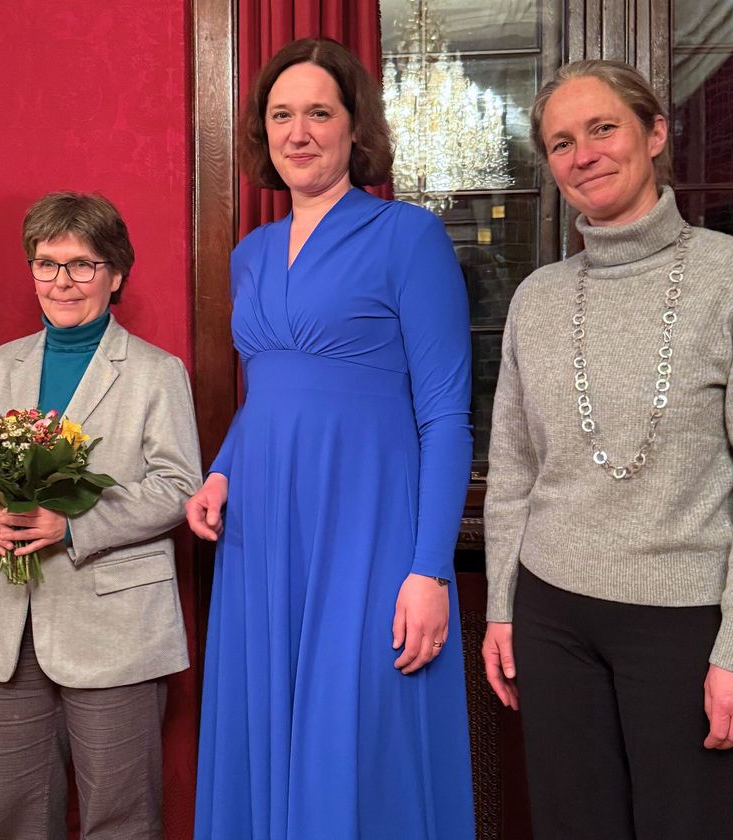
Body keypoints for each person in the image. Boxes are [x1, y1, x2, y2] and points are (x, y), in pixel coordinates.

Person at [480, 60, 733, 839]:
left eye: (603, 129)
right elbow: (515, 471)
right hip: (553, 615)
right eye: (561, 142)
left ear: (654, 133)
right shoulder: (538, 298)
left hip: (685, 620)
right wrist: (502, 606)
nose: (583, 155)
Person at [187, 37, 475, 840]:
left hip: (368, 531)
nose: (299, 132)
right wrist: (221, 472)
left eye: (320, 112)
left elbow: (447, 413)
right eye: (283, 115)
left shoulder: (407, 237)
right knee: (268, 727)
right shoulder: (248, 256)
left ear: (356, 130)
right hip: (263, 535)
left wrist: (429, 571)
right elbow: (268, 394)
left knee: (353, 738)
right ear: (263, 131)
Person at [0, 191, 201, 840]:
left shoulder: (154, 373)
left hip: (113, 624)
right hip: (11, 626)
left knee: (119, 817)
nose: (62, 282)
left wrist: (74, 525)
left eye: (82, 265)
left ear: (115, 275)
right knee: (15, 819)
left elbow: (177, 487)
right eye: (46, 264)